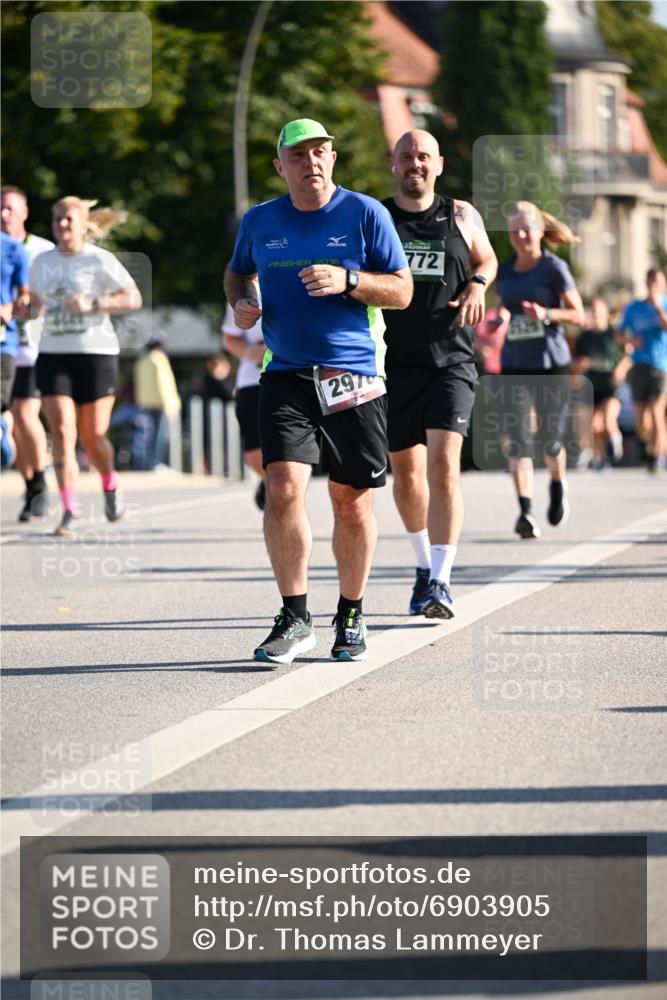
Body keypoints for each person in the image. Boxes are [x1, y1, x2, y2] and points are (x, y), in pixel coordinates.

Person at [224, 118, 412, 663]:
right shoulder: (260, 221)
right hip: (284, 373)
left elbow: (400, 291)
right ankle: (295, 615)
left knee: (349, 502)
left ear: (333, 159)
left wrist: (349, 281)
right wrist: (241, 302)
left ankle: (351, 613)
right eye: (299, 154)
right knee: (281, 486)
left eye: (321, 151)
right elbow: (236, 274)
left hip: (354, 375)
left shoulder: (365, 214)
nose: (312, 161)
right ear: (280, 164)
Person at [382, 130, 497, 619]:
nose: (415, 163)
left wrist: (477, 283)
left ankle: (442, 583)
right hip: (391, 365)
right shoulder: (378, 218)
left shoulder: (462, 214)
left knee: (444, 464)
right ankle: (423, 565)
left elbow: (487, 258)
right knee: (406, 476)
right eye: (407, 156)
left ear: (439, 164)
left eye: (423, 156)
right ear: (394, 164)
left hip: (451, 360)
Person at [26, 196, 142, 537]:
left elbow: (132, 297)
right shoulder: (41, 262)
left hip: (96, 354)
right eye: (57, 219)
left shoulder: (98, 260)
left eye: (69, 220)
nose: (62, 225)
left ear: (82, 224)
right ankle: (70, 511)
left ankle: (109, 484)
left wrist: (93, 303)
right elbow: (34, 306)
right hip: (52, 354)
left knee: (93, 437)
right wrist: (24, 307)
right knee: (62, 432)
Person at [495, 201, 585, 539]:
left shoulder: (553, 268)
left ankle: (558, 485)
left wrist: (546, 314)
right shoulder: (505, 271)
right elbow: (503, 309)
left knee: (549, 439)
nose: (519, 235)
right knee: (517, 438)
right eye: (514, 230)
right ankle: (525, 511)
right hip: (515, 363)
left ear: (540, 231)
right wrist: (497, 320)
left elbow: (579, 315)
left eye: (525, 229)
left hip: (551, 363)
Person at [1, 185, 55, 520]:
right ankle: (31, 483)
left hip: (36, 348)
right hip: (7, 347)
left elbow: (48, 300)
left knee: (23, 415)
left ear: (24, 212)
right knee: (13, 421)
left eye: (9, 208)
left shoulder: (41, 250)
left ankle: (41, 481)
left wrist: (23, 305)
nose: (3, 214)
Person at [617, 268, 667, 473]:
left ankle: (657, 457)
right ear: (646, 282)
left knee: (656, 411)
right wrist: (629, 341)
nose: (654, 284)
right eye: (651, 280)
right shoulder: (634, 308)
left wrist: (658, 308)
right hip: (639, 366)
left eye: (658, 280)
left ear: (663, 283)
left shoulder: (664, 304)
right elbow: (618, 334)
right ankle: (651, 446)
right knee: (641, 419)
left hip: (661, 365)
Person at [572, 297, 630, 470]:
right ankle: (597, 457)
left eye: (598, 310)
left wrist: (621, 367)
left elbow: (629, 355)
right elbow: (575, 363)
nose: (594, 314)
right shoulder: (584, 338)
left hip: (610, 387)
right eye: (592, 310)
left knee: (608, 419)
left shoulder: (614, 334)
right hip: (591, 387)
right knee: (592, 425)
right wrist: (579, 366)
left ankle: (614, 440)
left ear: (606, 313)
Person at [222, 302, 267, 510]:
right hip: (252, 379)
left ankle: (284, 487)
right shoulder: (243, 287)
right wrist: (252, 353)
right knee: (253, 452)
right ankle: (271, 481)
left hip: (293, 373)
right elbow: (230, 339)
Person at [1, 230, 30, 468]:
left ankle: (2, 423)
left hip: (3, 342)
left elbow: (26, 296)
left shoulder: (13, 248)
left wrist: (11, 307)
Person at [133, 335, 181, 470]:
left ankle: (145, 465)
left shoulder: (142, 360)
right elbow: (164, 383)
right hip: (160, 404)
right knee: (159, 436)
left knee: (145, 436)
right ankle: (156, 463)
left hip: (144, 403)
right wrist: (170, 405)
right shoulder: (159, 359)